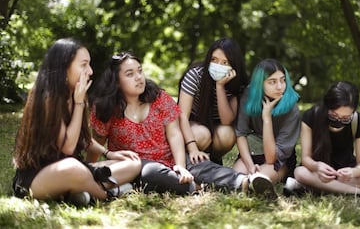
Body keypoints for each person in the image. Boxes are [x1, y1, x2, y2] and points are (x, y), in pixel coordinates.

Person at [88, 52, 275, 196]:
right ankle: (196, 187)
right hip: (138, 165)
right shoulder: (105, 108)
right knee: (151, 173)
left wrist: (180, 166)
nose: (139, 77)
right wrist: (90, 168)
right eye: (130, 74)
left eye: (140, 71)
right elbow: (96, 142)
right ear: (116, 81)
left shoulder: (158, 97)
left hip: (171, 158)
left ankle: (247, 183)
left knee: (202, 167)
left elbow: (174, 134)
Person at [12, 38, 141, 206]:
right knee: (74, 168)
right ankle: (105, 195)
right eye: (84, 65)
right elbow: (68, 147)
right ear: (64, 67)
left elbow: (83, 138)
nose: (90, 71)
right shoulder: (47, 99)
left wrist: (108, 153)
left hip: (77, 169)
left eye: (89, 64)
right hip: (38, 177)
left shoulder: (75, 94)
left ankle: (80, 193)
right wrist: (79, 103)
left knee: (132, 164)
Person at [288, 81, 360, 200]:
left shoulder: (358, 121)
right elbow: (306, 158)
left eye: (345, 118)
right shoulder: (311, 116)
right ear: (327, 106)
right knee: (300, 172)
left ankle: (311, 186)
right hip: (318, 171)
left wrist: (353, 172)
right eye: (334, 115)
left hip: (345, 172)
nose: (339, 121)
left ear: (353, 112)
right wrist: (317, 166)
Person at [178, 37, 249, 165]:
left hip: (217, 126)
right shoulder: (195, 75)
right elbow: (182, 116)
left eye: (225, 63)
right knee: (202, 134)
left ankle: (214, 160)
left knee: (227, 134)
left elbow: (227, 121)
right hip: (192, 124)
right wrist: (193, 148)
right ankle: (190, 157)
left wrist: (220, 86)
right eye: (214, 60)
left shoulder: (238, 84)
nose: (218, 66)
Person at [233, 59, 301, 186]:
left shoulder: (292, 108)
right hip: (253, 152)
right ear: (260, 84)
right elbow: (240, 133)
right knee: (236, 178)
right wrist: (250, 165)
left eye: (282, 80)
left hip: (277, 159)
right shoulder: (248, 95)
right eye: (272, 82)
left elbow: (271, 158)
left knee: (257, 180)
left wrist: (267, 118)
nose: (280, 86)